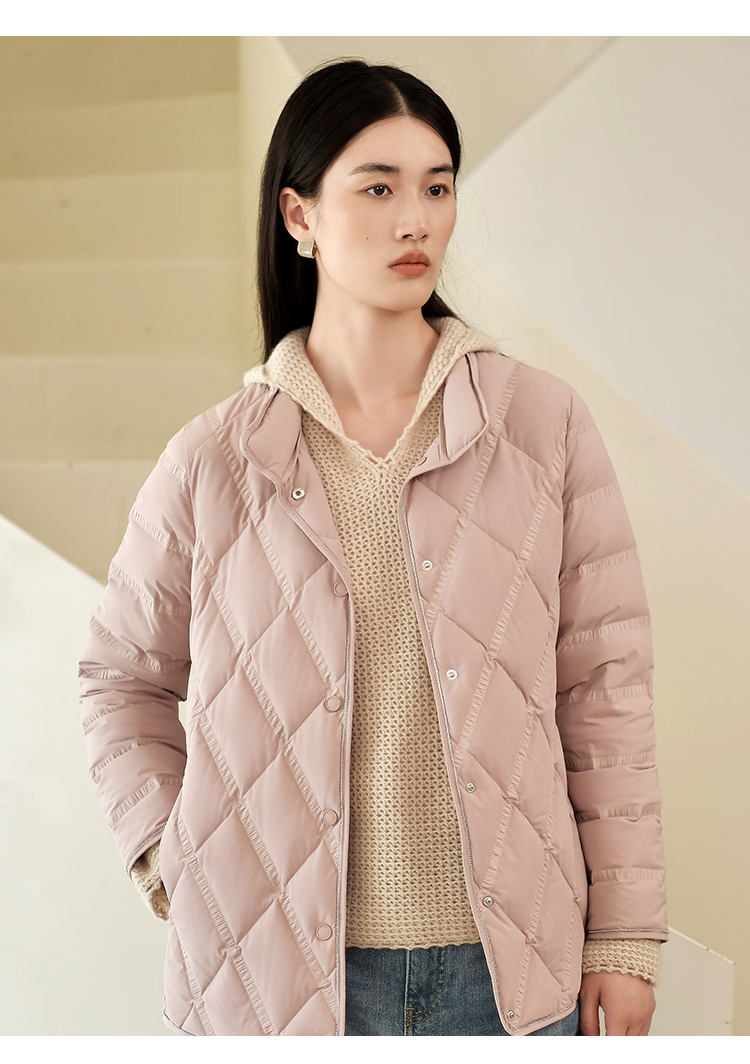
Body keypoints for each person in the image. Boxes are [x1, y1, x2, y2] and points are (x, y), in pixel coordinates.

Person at [77, 58, 668, 1037]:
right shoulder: (214, 458)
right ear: (299, 215)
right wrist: (171, 855)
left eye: (437, 187)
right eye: (379, 188)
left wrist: (626, 935)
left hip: (509, 977)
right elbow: (119, 677)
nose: (416, 220)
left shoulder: (542, 424)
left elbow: (605, 687)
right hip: (274, 983)